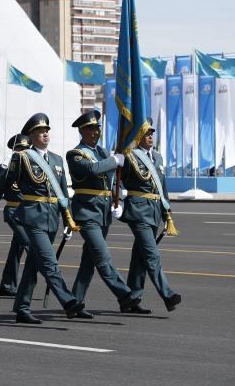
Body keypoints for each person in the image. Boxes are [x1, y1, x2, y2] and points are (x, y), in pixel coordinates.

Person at [66, 111, 150, 316]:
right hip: (86, 213)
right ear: (81, 131)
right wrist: (115, 160)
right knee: (103, 257)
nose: (95, 132)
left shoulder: (103, 152)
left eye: (97, 128)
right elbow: (93, 169)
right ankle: (124, 295)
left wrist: (117, 199)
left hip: (102, 212)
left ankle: (75, 303)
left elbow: (112, 179)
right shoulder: (75, 154)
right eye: (90, 129)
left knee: (89, 261)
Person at [9, 113, 85, 324]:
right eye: (40, 131)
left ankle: (22, 308)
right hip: (32, 217)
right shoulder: (22, 157)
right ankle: (68, 301)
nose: (45, 134)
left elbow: (62, 194)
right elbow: (5, 183)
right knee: (49, 263)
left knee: (33, 264)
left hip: (52, 218)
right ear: (31, 135)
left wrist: (68, 220)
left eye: (46, 131)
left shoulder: (57, 160)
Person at [119, 120, 181, 312]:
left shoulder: (158, 157)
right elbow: (118, 180)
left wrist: (167, 213)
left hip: (154, 211)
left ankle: (131, 300)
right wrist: (120, 200)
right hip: (138, 211)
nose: (150, 136)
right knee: (152, 255)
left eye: (152, 133)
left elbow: (163, 188)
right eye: (146, 133)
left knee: (140, 257)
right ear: (138, 136)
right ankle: (168, 295)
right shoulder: (130, 156)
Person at [0, 134, 31, 296]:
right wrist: (3, 169)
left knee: (16, 249)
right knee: (30, 246)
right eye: (18, 149)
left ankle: (6, 285)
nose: (21, 152)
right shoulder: (7, 166)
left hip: (28, 212)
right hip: (13, 211)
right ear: (13, 150)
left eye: (25, 149)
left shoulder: (30, 166)